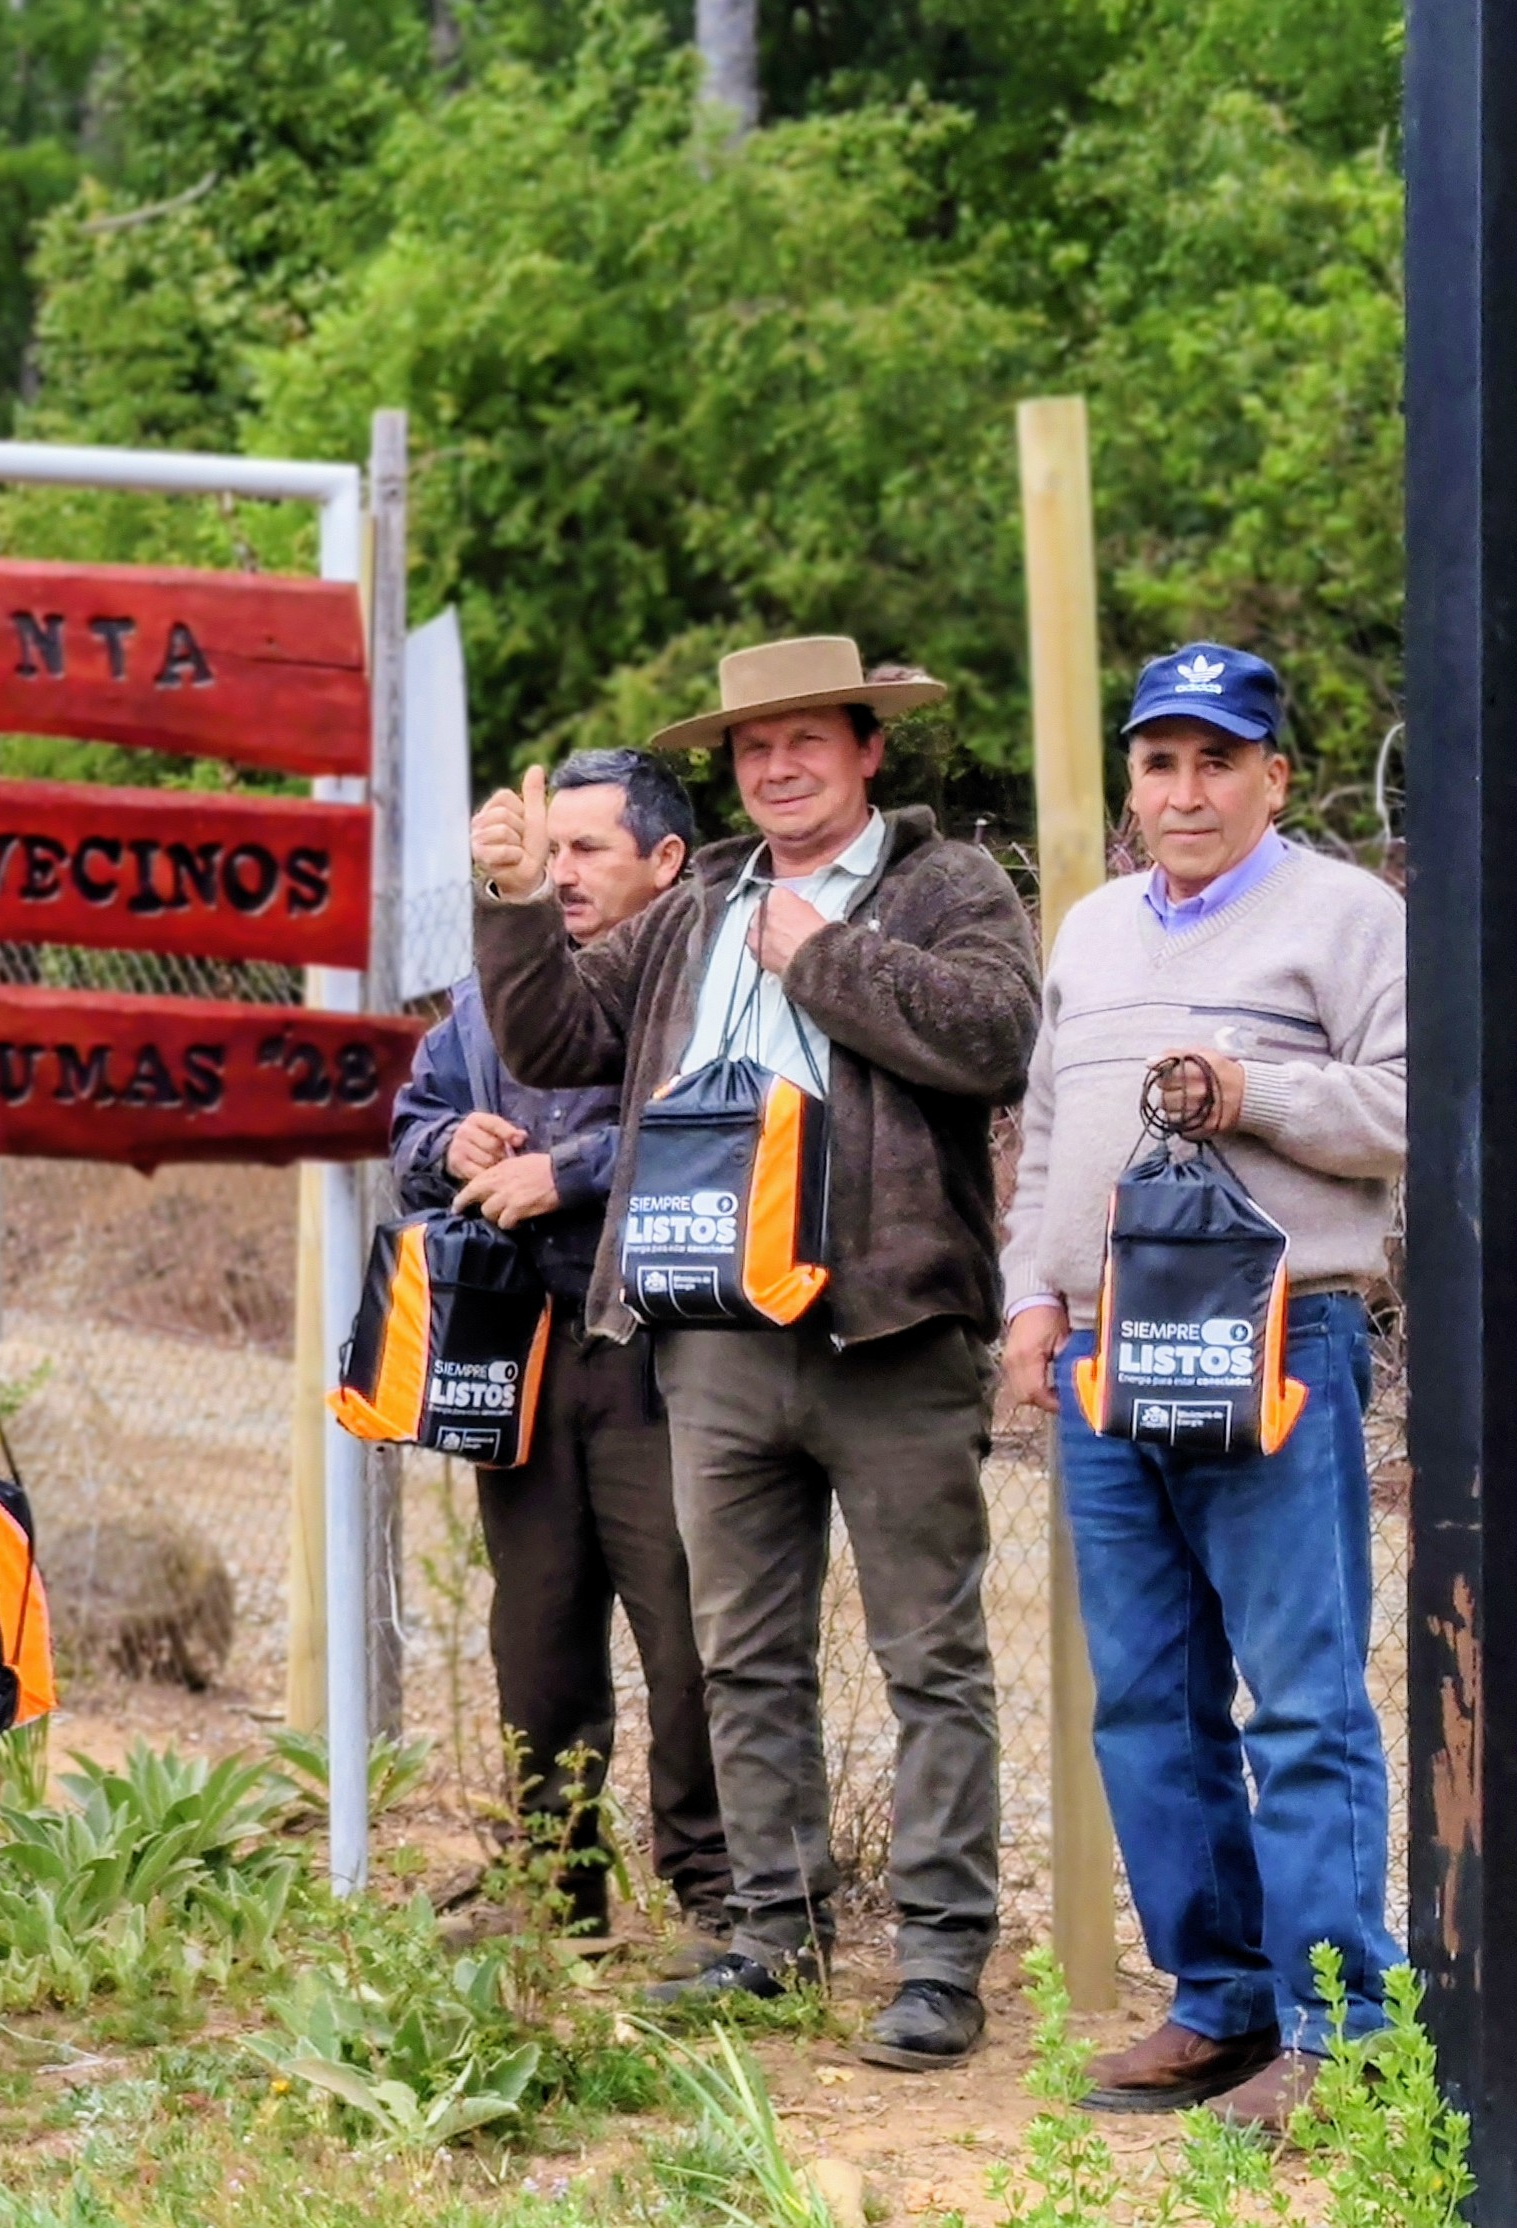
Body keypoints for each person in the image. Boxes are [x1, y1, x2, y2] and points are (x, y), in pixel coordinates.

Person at [471, 635, 1038, 2072]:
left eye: (805, 741)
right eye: (750, 747)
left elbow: (990, 1042)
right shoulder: (699, 900)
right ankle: (771, 1938)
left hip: (887, 1327)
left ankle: (938, 1961)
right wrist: (517, 898)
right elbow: (550, 1038)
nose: (775, 768)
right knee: (744, 1656)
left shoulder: (946, 887)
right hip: (708, 1329)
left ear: (867, 751)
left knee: (930, 1660)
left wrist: (826, 957)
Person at [1000, 645, 1408, 2131]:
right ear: (1133, 780)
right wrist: (1032, 1299)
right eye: (1160, 762)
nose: (1186, 789)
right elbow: (1049, 1131)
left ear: (1273, 777)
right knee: (1149, 1701)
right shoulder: (1095, 930)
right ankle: (1220, 2003)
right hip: (1113, 1347)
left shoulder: (1349, 919)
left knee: (1297, 1698)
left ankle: (1345, 2030)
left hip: (1277, 1333)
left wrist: (1258, 1092)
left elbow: (1415, 1108)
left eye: (1218, 760)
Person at [390, 748, 728, 1958]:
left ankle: (715, 1899)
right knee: (534, 1631)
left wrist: (566, 1169)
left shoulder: (703, 982)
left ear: (666, 864)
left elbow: (712, 1130)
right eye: (552, 849)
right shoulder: (490, 990)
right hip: (518, 1348)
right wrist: (453, 1148)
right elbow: (408, 1130)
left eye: (588, 850)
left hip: (658, 1351)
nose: (562, 872)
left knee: (687, 1633)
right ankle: (556, 1894)